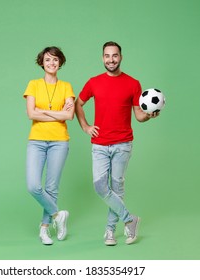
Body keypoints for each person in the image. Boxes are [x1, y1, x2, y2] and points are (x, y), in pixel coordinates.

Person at [75, 41, 159, 246]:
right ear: (102, 58)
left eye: (114, 55)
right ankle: (130, 219)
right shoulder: (94, 82)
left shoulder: (133, 83)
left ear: (121, 57)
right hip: (100, 144)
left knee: (117, 187)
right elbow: (78, 103)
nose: (110, 59)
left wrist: (149, 116)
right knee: (100, 186)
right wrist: (86, 127)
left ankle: (110, 232)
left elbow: (139, 116)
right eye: (107, 56)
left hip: (123, 144)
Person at [23, 46, 75, 245]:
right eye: (47, 60)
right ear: (42, 63)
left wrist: (43, 111)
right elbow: (31, 113)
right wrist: (57, 113)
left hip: (59, 141)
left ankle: (44, 229)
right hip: (36, 141)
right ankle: (57, 215)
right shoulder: (33, 85)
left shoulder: (66, 87)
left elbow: (69, 116)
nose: (51, 63)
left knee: (52, 188)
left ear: (60, 62)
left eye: (55, 60)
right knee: (33, 186)